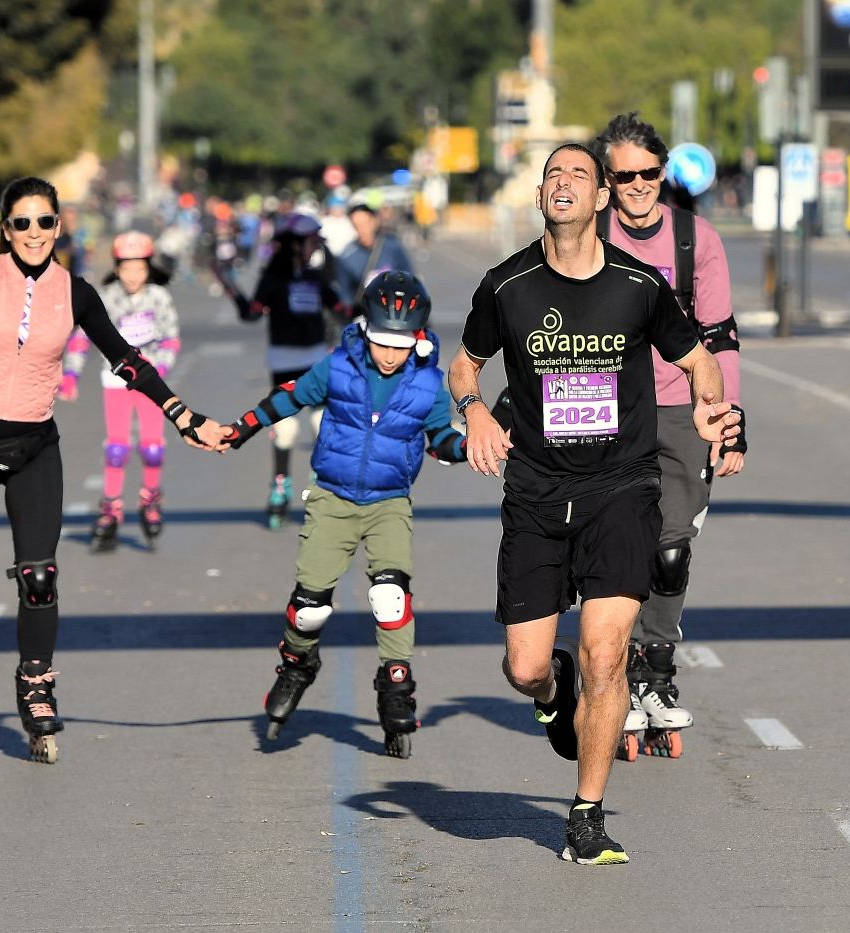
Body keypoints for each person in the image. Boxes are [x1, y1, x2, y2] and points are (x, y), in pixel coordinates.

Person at [0, 150, 227, 765]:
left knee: (39, 575)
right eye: (22, 223)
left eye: (46, 222)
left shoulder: (75, 293)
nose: (35, 233)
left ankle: (35, 683)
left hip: (34, 451)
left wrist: (182, 415)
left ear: (60, 228)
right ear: (6, 230)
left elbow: (127, 358)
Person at [447, 143, 739, 864]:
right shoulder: (506, 283)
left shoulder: (638, 283)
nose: (564, 184)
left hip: (621, 489)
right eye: (554, 176)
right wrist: (475, 412)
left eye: (578, 175)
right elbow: (466, 361)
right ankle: (553, 695)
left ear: (603, 197)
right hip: (538, 492)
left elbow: (697, 355)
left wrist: (711, 408)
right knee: (524, 666)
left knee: (607, 652)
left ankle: (586, 813)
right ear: (541, 196)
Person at [223, 270, 467, 758]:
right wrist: (243, 427)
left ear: (418, 338)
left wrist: (468, 445)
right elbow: (290, 397)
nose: (390, 353)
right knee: (310, 607)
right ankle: (297, 664)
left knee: (391, 597)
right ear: (364, 328)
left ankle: (396, 687)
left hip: (389, 501)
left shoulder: (427, 385)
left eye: (401, 343)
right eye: (381, 340)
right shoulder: (339, 367)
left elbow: (441, 438)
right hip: (333, 498)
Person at [592, 112, 747, 760]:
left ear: (663, 172)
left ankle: (655, 670)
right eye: (622, 175)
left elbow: (721, 335)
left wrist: (730, 423)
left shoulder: (697, 239)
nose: (636, 186)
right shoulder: (582, 235)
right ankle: (612, 669)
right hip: (604, 409)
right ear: (607, 179)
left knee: (672, 550)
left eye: (647, 173)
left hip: (682, 407)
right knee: (612, 545)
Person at [59, 232, 181, 551]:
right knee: (117, 448)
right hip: (115, 379)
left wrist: (161, 368)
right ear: (116, 268)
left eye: (139, 268)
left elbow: (170, 337)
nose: (132, 276)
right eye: (126, 269)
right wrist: (71, 373)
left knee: (153, 448)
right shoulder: (107, 296)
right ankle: (111, 506)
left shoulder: (158, 297)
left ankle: (150, 499)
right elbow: (82, 337)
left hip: (150, 378)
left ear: (148, 269)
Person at [237, 212, 349, 528]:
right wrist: (229, 286)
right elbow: (252, 313)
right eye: (311, 240)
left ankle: (321, 488)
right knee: (286, 429)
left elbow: (342, 310)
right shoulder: (273, 279)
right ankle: (280, 487)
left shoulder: (316, 278)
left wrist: (373, 303)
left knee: (323, 423)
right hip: (283, 362)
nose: (316, 245)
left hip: (315, 359)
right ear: (295, 244)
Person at [333, 202, 415, 310]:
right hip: (365, 315)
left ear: (374, 221)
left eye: (366, 223)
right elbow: (345, 294)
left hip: (395, 311)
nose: (362, 229)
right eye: (357, 225)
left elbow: (410, 280)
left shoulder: (393, 246)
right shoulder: (346, 257)